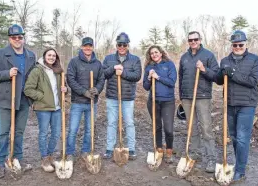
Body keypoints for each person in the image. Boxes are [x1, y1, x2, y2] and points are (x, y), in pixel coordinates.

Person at [0, 24, 36, 179]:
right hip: (6, 99)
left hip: (23, 99)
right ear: (9, 39)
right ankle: (0, 163)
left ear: (23, 38)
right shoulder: (0, 54)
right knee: (3, 133)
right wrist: (7, 73)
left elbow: (33, 77)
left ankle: (17, 159)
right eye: (14, 37)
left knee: (19, 132)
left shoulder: (30, 55)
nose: (17, 40)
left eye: (20, 37)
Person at [215, 30, 258, 182]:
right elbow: (220, 81)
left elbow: (252, 81)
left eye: (241, 44)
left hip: (247, 104)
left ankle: (240, 170)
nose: (238, 47)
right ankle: (239, 162)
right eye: (235, 45)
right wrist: (222, 73)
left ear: (245, 44)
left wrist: (232, 73)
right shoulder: (225, 60)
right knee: (234, 137)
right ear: (232, 45)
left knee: (242, 138)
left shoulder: (255, 60)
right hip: (230, 103)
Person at [179, 31, 219, 172]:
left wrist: (203, 69)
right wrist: (181, 97)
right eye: (190, 40)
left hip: (202, 96)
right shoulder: (184, 57)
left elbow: (217, 76)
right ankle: (194, 153)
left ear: (200, 40)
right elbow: (181, 77)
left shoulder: (208, 55)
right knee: (191, 127)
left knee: (206, 128)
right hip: (187, 97)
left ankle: (211, 158)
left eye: (195, 39)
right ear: (188, 41)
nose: (193, 42)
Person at [24, 48, 67, 172]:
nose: (52, 57)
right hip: (43, 108)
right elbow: (28, 89)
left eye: (54, 55)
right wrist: (42, 97)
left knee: (56, 133)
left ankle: (50, 155)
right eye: (49, 55)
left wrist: (66, 90)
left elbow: (64, 87)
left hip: (57, 108)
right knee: (43, 133)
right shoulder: (37, 70)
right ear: (44, 56)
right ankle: (44, 159)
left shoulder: (58, 71)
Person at [102, 32, 142, 160]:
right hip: (112, 96)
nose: (122, 47)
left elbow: (137, 76)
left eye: (124, 44)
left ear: (128, 45)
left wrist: (123, 72)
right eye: (120, 44)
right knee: (112, 122)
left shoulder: (135, 59)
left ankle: (131, 149)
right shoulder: (108, 59)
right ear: (116, 45)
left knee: (129, 123)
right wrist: (113, 68)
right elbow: (103, 75)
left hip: (128, 97)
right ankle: (109, 148)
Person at [66, 37, 105, 163]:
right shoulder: (74, 62)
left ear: (93, 47)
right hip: (77, 102)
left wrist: (97, 90)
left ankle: (85, 151)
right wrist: (84, 92)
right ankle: (70, 152)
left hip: (92, 103)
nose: (88, 48)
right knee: (73, 129)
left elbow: (101, 79)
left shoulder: (98, 63)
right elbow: (70, 80)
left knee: (89, 129)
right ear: (82, 47)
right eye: (85, 46)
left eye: (90, 46)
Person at [143, 45, 177, 163]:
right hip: (153, 101)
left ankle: (169, 149)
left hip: (168, 101)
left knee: (168, 129)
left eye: (156, 52)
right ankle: (158, 148)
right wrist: (148, 77)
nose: (154, 54)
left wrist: (157, 77)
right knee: (156, 126)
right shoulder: (149, 67)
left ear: (161, 53)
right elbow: (146, 87)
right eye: (152, 53)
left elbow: (172, 82)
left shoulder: (169, 65)